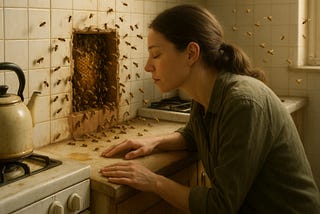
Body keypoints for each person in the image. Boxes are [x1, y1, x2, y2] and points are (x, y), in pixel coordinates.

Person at [99, 4, 320, 213]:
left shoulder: (243, 103)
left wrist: (153, 181)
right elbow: (195, 135)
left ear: (191, 53)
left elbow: (220, 207)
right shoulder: (205, 94)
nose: (148, 66)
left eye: (156, 54)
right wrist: (153, 142)